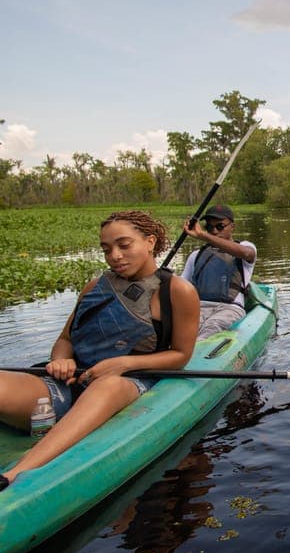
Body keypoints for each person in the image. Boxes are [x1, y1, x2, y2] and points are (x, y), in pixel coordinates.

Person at [0, 211, 200, 491]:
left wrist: (122, 364)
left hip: (127, 381)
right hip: (69, 383)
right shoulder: (95, 286)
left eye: (124, 245)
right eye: (106, 249)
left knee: (108, 384)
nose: (114, 256)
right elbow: (65, 339)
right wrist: (61, 360)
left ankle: (16, 473)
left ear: (150, 242)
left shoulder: (178, 291)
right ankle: (65, 417)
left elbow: (180, 355)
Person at [181, 204, 257, 339]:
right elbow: (182, 287)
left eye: (219, 226)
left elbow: (246, 253)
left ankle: (200, 349)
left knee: (212, 327)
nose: (214, 231)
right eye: (209, 227)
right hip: (199, 308)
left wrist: (203, 235)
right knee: (184, 332)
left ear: (232, 226)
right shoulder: (196, 255)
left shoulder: (245, 247)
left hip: (230, 308)